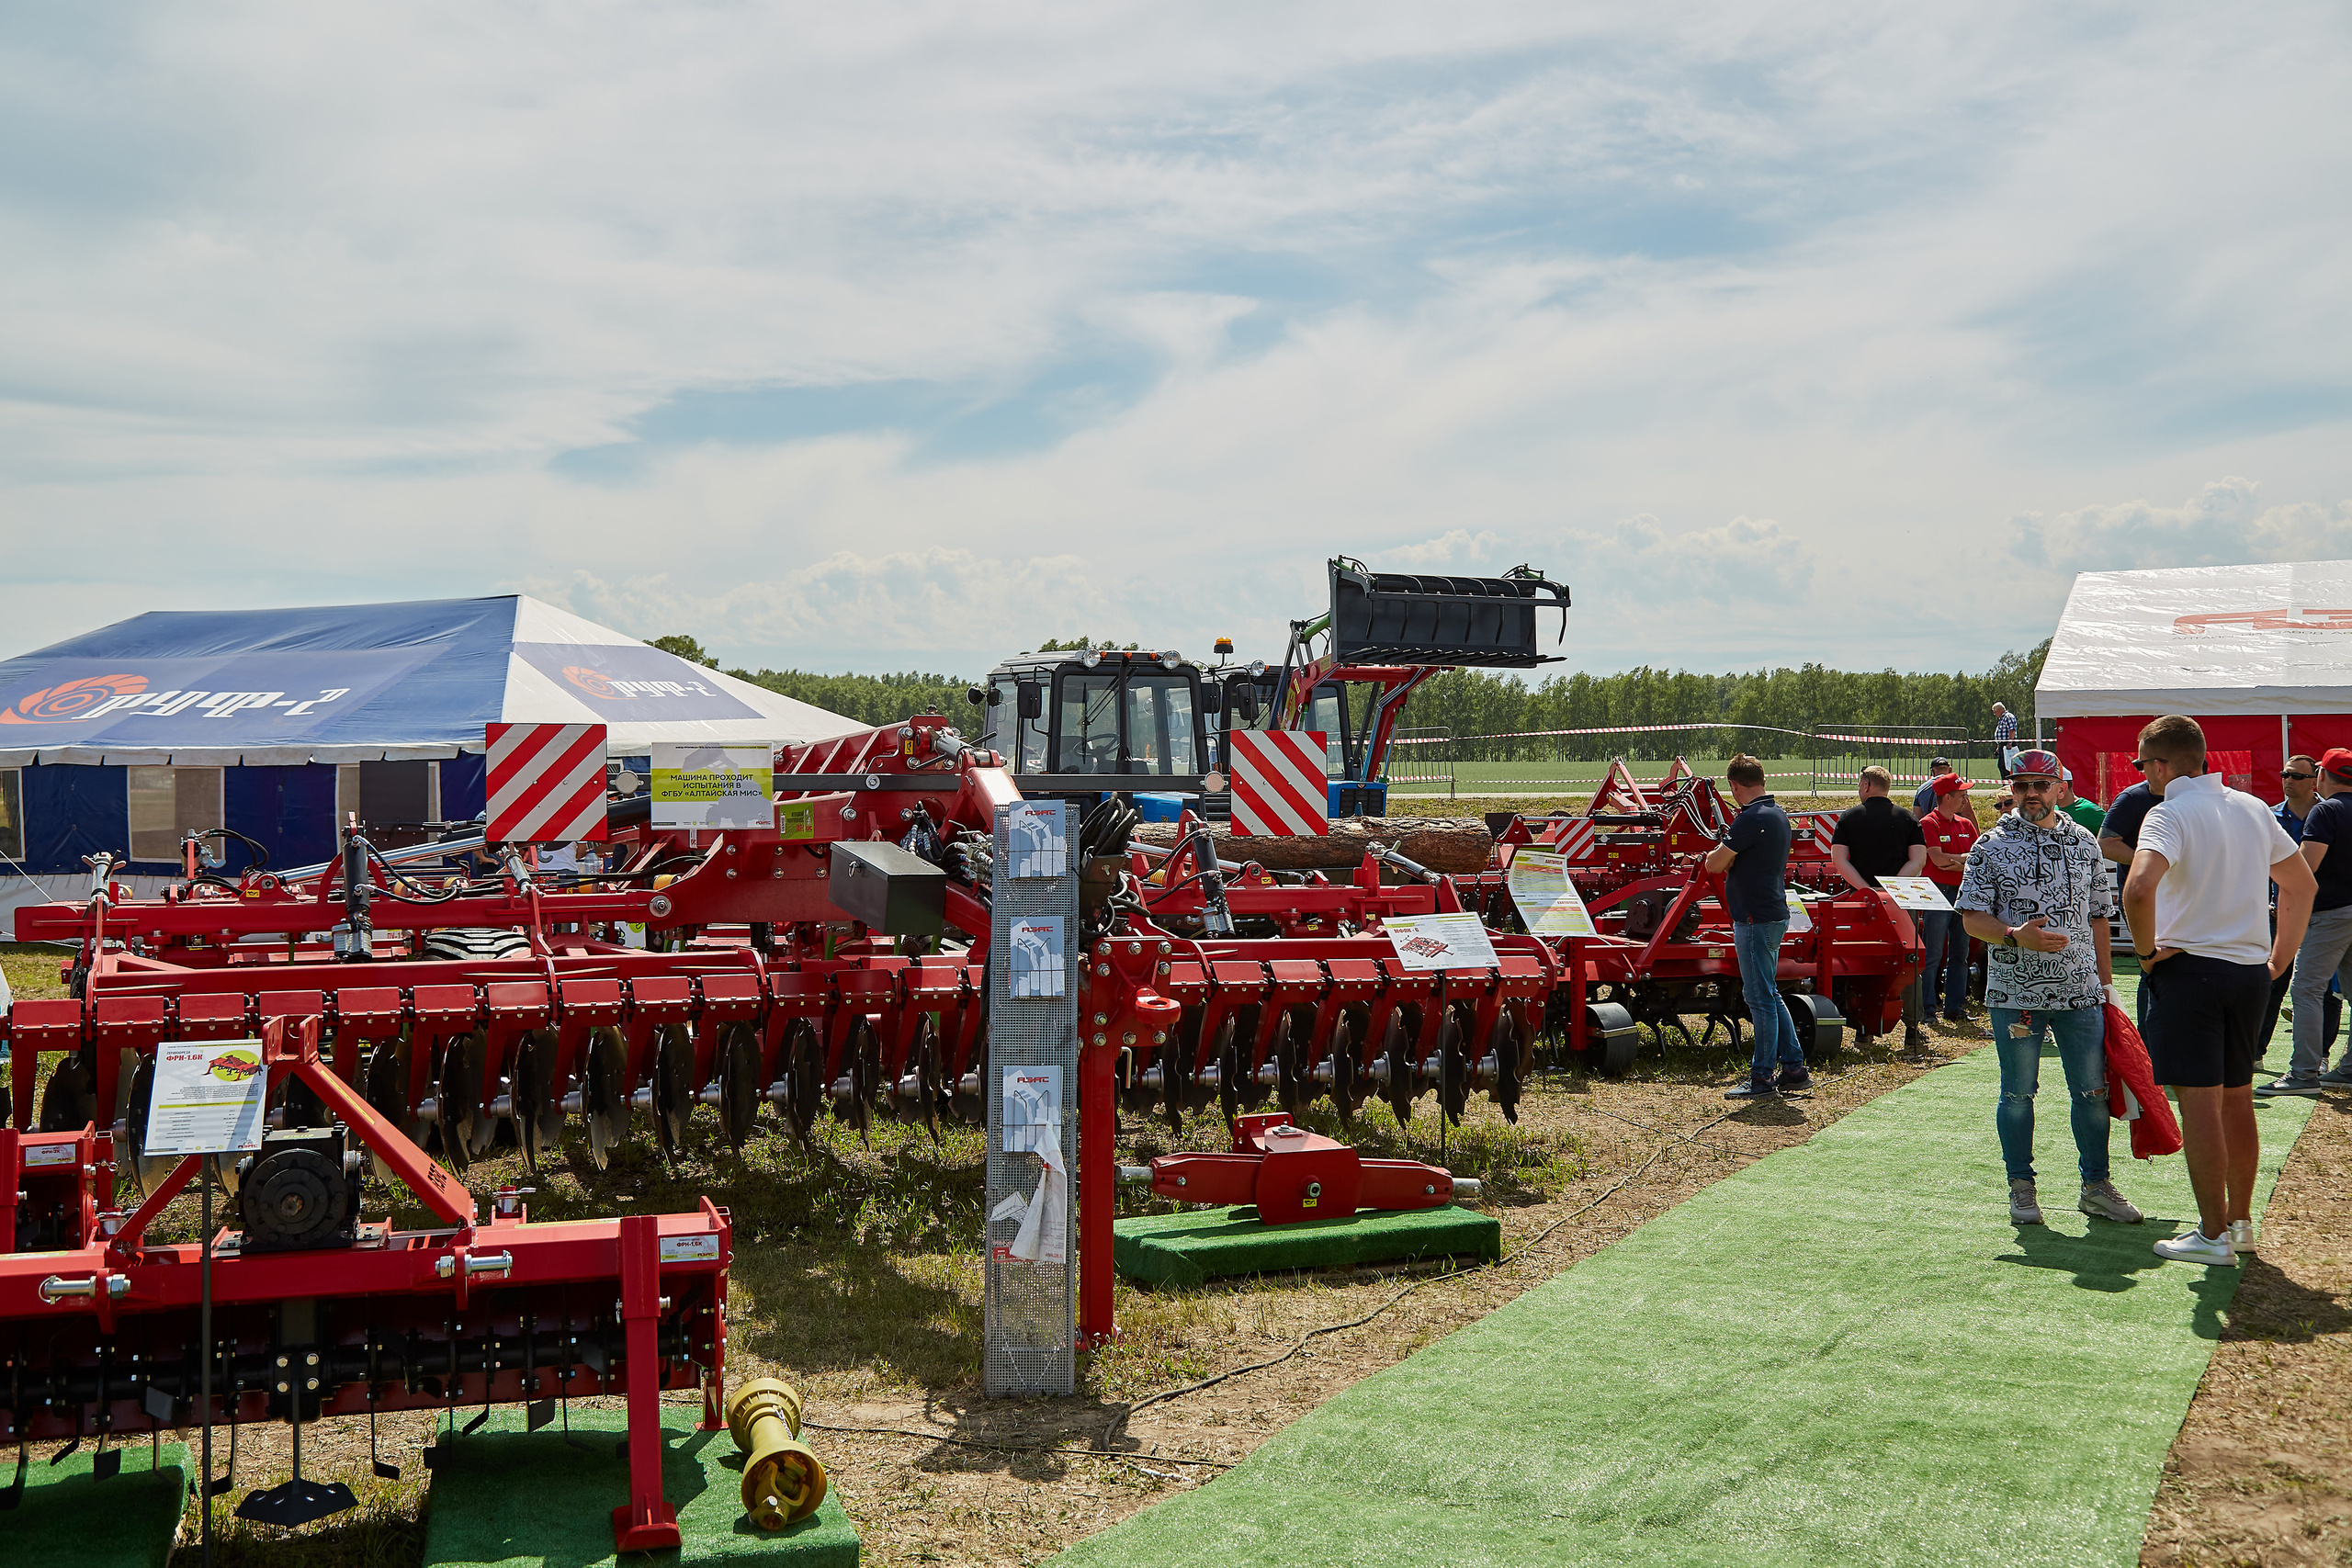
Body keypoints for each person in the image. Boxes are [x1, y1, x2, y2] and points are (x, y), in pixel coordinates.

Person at [2124, 716, 2315, 1265]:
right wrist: (2280, 959)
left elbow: (2138, 890)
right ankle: (2239, 1225)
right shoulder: (2253, 807)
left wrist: (2145, 954)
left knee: (2201, 1103)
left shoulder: (2167, 813)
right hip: (2250, 972)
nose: (2143, 774)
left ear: (2162, 766)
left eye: (2143, 764)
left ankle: (2212, 1235)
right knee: (2236, 1098)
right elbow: (2302, 885)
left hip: (2191, 973)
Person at [1956, 749, 2140, 1226]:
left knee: (2093, 1093)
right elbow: (1972, 919)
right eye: (2022, 786)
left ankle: (2095, 1186)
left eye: (2041, 784)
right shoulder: (1989, 846)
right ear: (2012, 790)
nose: (2031, 793)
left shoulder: (2084, 842)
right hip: (2016, 994)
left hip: (2080, 993)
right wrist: (2015, 936)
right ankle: (2021, 1188)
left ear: (2060, 787)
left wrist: (2106, 984)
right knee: (2018, 1095)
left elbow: (2098, 918)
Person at [1705, 754, 1806, 1100]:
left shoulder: (1750, 819)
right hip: (1773, 913)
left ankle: (1762, 1077)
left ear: (1734, 785)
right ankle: (1793, 1068)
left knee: (1759, 999)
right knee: (1769, 993)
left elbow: (1714, 864)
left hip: (1753, 918)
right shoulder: (1777, 814)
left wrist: (1720, 853)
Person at [2263, 747, 2352, 1094]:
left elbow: (2304, 870)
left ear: (2322, 776)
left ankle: (2303, 1074)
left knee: (2306, 991)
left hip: (2328, 915)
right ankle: (2347, 1069)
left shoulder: (2325, 811)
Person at [1832, 766, 1932, 1050]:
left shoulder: (1849, 818)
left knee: (1862, 963)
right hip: (1901, 901)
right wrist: (1892, 888)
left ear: (1866, 785)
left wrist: (1867, 891)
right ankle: (1913, 1031)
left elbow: (1839, 860)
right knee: (1909, 963)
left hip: (1861, 904)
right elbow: (1918, 859)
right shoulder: (1908, 818)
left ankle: (1863, 1030)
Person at [2257, 755, 2338, 1058]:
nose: (2288, 780)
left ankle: (2320, 1056)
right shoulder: (2269, 817)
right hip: (2278, 914)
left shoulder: (2329, 814)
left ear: (2315, 781)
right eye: (2284, 774)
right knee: (2269, 983)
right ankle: (2254, 1052)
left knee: (2325, 989)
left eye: (2296, 776)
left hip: (2323, 915)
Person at [1920, 775, 1979, 1022]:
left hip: (1962, 892)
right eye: (1962, 795)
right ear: (1947, 797)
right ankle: (1927, 1009)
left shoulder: (1966, 824)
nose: (1966, 799)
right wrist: (1963, 860)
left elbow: (1978, 860)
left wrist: (1956, 862)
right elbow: (1937, 859)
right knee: (1932, 952)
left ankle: (1955, 1008)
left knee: (1960, 953)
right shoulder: (1928, 823)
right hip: (1937, 892)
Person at [2059, 769, 2105, 834]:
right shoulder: (2051, 811)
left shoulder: (2090, 811)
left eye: (2047, 785)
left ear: (2062, 788)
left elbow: (2112, 837)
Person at [1992, 705, 2020, 778]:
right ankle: (2005, 782)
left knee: (2007, 766)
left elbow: (2012, 730)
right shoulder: (2002, 719)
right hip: (2003, 745)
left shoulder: (2008, 717)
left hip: (2008, 745)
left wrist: (2009, 743)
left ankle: (2008, 782)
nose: (1994, 714)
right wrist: (1999, 746)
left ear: (1999, 710)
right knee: (2002, 765)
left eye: (1995, 712)